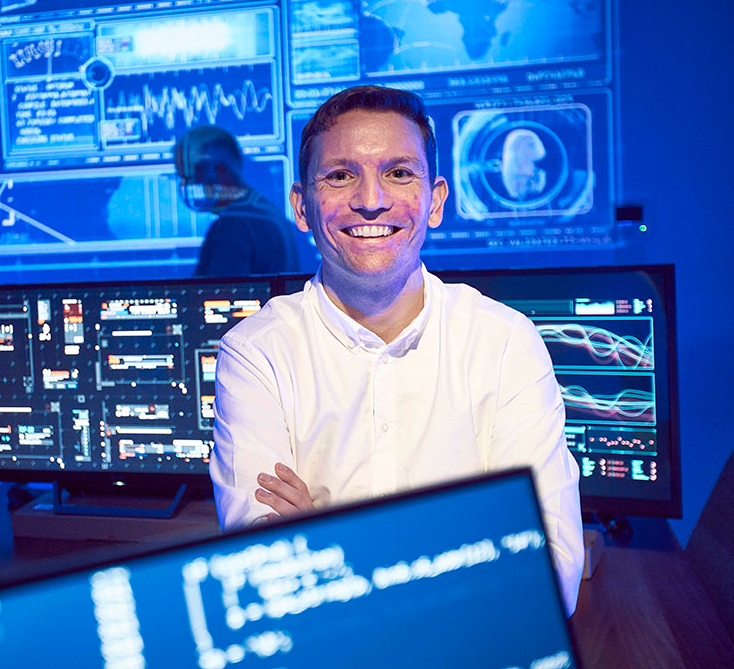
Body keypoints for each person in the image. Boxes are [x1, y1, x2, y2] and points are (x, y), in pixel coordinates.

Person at [209, 86, 584, 613]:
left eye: (399, 173)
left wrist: (322, 544)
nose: (370, 199)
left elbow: (552, 576)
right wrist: (473, 542)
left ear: (434, 202)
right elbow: (262, 575)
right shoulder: (256, 353)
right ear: (301, 207)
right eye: (340, 175)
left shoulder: (504, 342)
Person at [173, 124, 300, 276]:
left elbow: (217, 295)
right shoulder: (266, 210)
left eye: (192, 174)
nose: (186, 184)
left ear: (219, 170)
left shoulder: (232, 225)